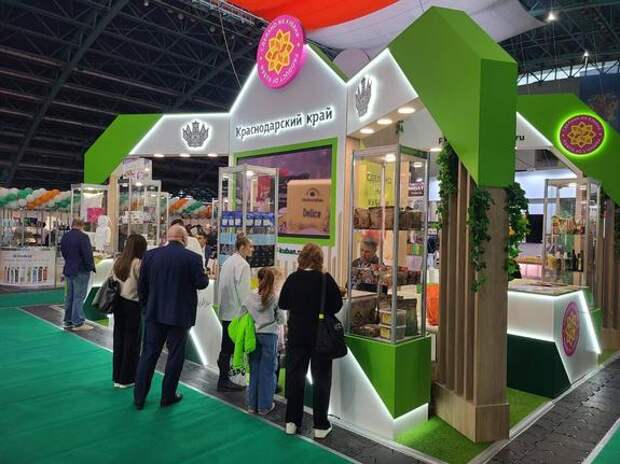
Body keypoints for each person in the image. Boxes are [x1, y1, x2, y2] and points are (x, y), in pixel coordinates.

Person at [133, 225, 209, 410]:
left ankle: (139, 397)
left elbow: (142, 286)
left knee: (148, 354)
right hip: (180, 316)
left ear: (168, 237)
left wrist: (146, 307)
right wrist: (205, 274)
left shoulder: (150, 256)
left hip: (154, 313)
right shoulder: (193, 258)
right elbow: (201, 283)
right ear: (184, 239)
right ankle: (167, 396)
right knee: (175, 356)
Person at [278, 243, 343, 439]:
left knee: (295, 378)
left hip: (296, 335)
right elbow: (337, 305)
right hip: (320, 337)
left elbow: (283, 303)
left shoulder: (292, 278)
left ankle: (291, 422)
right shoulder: (325, 279)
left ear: (301, 258)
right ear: (319, 259)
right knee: (321, 379)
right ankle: (320, 426)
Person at [244, 267, 285, 416]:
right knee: (267, 372)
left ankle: (251, 405)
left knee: (254, 370)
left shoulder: (250, 296)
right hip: (269, 336)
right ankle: (264, 407)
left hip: (253, 335)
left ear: (258, 279)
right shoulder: (274, 297)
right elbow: (282, 319)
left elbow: (243, 313)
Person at [216, 233, 253, 392]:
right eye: (250, 246)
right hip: (237, 313)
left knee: (226, 346)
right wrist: (249, 313)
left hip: (226, 311)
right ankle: (225, 380)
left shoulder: (228, 261)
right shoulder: (243, 265)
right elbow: (244, 294)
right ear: (242, 247)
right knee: (231, 348)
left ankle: (224, 378)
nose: (252, 249)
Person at [111, 234, 147, 389]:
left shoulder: (119, 261)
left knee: (119, 339)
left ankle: (117, 377)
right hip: (133, 304)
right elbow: (144, 284)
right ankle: (127, 378)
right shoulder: (138, 263)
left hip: (118, 303)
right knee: (132, 342)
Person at [60, 218, 96, 331]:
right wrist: (90, 267)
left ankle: (68, 320)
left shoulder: (65, 236)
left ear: (72, 225)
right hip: (81, 270)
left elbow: (63, 252)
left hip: (69, 269)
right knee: (79, 297)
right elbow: (88, 255)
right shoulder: (83, 237)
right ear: (82, 225)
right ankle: (78, 322)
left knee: (69, 296)